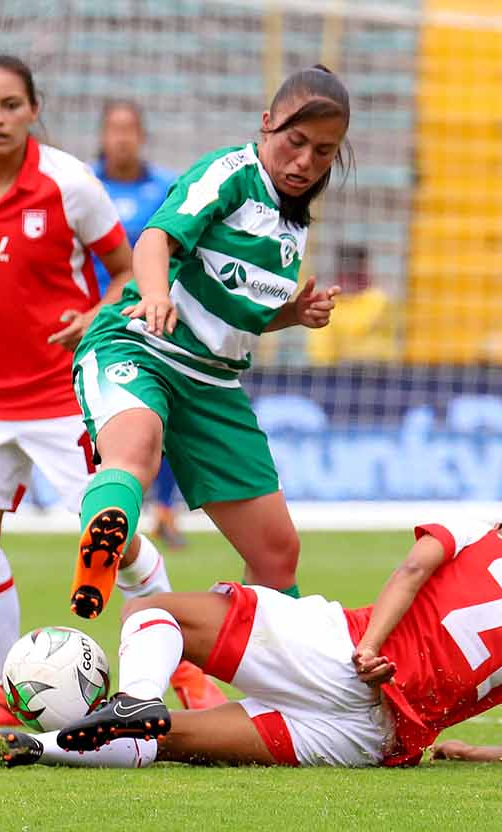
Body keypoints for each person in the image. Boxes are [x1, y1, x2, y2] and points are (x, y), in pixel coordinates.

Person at [0, 54, 221, 728]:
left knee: (113, 536)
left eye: (9, 105)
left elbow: (124, 270)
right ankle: (6, 693)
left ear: (33, 109)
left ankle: (186, 668)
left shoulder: (70, 182)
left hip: (64, 389)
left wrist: (95, 315)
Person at [0, 510, 502, 769]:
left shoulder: (483, 540)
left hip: (341, 654)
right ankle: (40, 749)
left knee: (154, 615)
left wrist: (372, 647)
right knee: (170, 741)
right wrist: (469, 749)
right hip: (369, 741)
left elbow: (410, 569)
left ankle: (138, 693)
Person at [65, 65, 351, 621]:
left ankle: (246, 671)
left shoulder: (293, 219)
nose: (304, 162)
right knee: (136, 450)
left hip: (213, 382)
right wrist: (154, 294)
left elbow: (238, 315)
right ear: (267, 124)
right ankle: (102, 551)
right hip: (141, 345)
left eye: (323, 152)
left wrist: (293, 314)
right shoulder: (230, 173)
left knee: (276, 555)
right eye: (295, 142)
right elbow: (155, 240)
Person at [92, 101, 188, 549]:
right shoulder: (85, 187)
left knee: (160, 418)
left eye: (129, 129)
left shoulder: (167, 188)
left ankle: (164, 509)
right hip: (91, 323)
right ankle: (97, 501)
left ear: (142, 136)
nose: (122, 138)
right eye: (114, 129)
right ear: (103, 135)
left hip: (148, 321)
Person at [306, 243, 398, 364]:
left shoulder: (379, 301)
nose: (350, 279)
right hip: (332, 371)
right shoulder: (325, 303)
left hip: (378, 368)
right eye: (347, 274)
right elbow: (320, 352)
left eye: (355, 274)